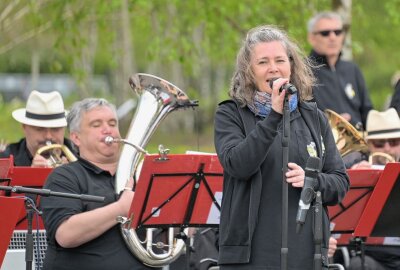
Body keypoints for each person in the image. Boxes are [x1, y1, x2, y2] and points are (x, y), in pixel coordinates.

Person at [214, 25, 349, 269]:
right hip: (251, 256)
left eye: (279, 60)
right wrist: (274, 115)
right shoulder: (231, 114)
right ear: (249, 72)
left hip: (306, 253)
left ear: (292, 65)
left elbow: (339, 182)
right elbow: (239, 165)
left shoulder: (314, 117)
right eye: (263, 62)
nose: (273, 68)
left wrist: (314, 180)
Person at [40, 98, 154, 270]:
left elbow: (161, 239)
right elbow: (65, 234)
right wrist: (120, 208)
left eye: (112, 123)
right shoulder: (63, 177)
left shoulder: (142, 177)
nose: (108, 129)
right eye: (96, 124)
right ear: (76, 138)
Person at [307, 11, 373, 130]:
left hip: (360, 143)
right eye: (325, 33)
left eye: (337, 32)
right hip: (323, 143)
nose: (333, 37)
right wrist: (331, 122)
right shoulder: (303, 71)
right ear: (312, 38)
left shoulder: (352, 69)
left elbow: (367, 112)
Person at [0, 90, 77, 167]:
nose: (48, 136)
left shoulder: (80, 156)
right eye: (40, 129)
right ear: (24, 128)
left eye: (55, 129)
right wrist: (33, 175)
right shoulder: (3, 160)